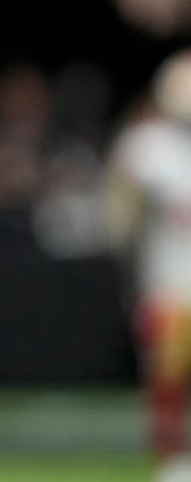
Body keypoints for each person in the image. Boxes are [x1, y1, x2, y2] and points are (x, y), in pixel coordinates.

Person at [103, 47, 191, 481]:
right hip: (169, 287)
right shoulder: (151, 145)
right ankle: (170, 463)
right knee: (167, 384)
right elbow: (120, 209)